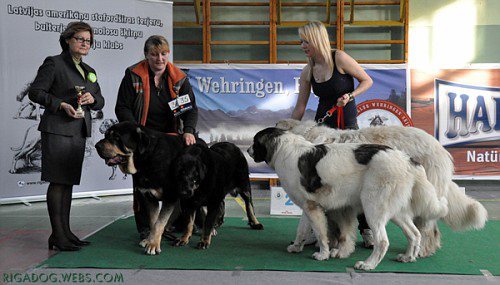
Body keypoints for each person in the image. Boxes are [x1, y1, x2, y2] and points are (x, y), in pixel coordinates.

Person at [291, 21, 374, 248]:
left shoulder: (340, 58)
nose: (302, 45)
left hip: (347, 128)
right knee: (322, 181)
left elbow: (367, 80)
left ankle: (367, 230)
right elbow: (300, 107)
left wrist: (350, 95)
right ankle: (321, 232)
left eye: (305, 41)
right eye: (301, 41)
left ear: (316, 40)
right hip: (323, 132)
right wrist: (287, 131)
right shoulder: (307, 70)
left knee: (357, 179)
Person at [29, 21, 105, 251]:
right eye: (80, 39)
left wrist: (93, 100)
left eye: (88, 41)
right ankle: (57, 235)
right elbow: (35, 92)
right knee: (58, 182)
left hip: (78, 132)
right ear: (67, 40)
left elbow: (100, 99)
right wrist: (60, 104)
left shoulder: (89, 71)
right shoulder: (54, 63)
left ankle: (65, 232)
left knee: (68, 183)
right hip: (57, 129)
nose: (85, 43)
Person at [115, 35, 198, 239]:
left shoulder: (179, 79)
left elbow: (191, 110)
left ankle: (172, 226)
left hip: (171, 139)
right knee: (142, 185)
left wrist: (188, 130)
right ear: (146, 55)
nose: (159, 58)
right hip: (143, 138)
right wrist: (135, 130)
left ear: (168, 54)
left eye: (163, 54)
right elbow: (122, 107)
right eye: (154, 54)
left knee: (176, 182)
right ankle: (145, 229)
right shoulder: (133, 76)